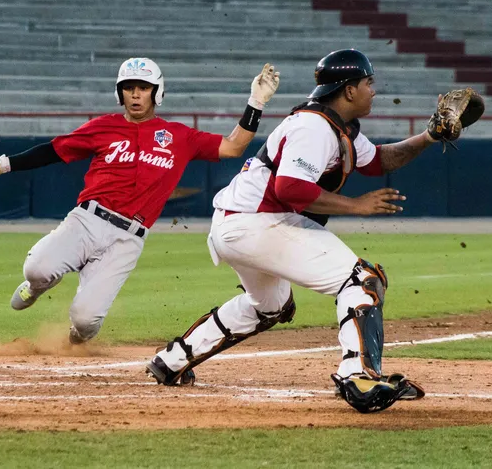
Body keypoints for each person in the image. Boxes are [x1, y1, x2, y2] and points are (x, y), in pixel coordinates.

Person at [143, 49, 468, 413]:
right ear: (348, 90)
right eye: (368, 82)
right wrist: (356, 206)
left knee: (271, 306)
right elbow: (290, 189)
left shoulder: (333, 126)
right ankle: (359, 376)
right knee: (362, 279)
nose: (373, 90)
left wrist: (428, 136)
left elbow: (379, 160)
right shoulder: (313, 128)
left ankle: (172, 360)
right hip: (257, 222)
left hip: (240, 223)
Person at [0, 57, 280, 344]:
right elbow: (54, 151)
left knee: (85, 320)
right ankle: (36, 287)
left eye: (143, 88)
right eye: (128, 88)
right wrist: (5, 164)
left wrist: (256, 102)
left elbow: (233, 147)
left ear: (157, 92)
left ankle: (76, 337)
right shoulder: (103, 127)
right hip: (87, 220)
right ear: (120, 93)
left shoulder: (179, 137)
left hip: (128, 238)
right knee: (36, 269)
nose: (135, 95)